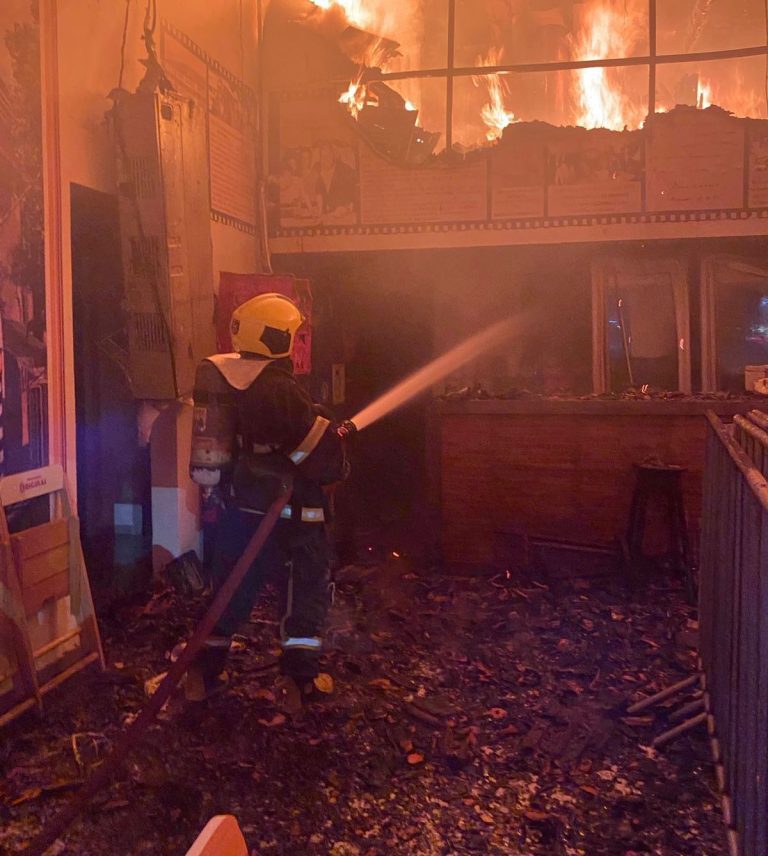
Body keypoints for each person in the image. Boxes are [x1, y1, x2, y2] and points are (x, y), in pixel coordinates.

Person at [186, 293, 349, 704]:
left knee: (230, 591)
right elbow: (320, 462)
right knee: (304, 593)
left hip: (241, 509)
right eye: (294, 336)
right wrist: (333, 438)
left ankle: (199, 677)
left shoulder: (230, 377)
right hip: (293, 517)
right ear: (280, 338)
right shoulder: (278, 388)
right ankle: (300, 682)